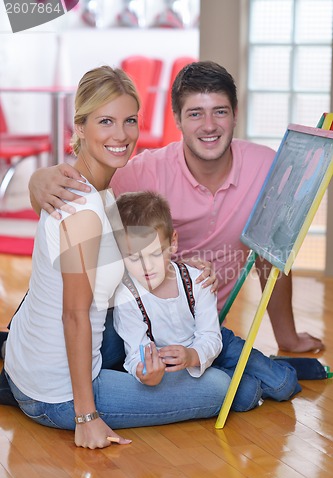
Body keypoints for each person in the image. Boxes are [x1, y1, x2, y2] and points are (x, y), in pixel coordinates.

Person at [3, 66, 231, 449]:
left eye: (129, 121)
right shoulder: (86, 210)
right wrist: (87, 417)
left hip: (25, 361)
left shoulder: (79, 187)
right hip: (56, 394)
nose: (121, 135)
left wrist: (184, 269)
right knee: (220, 388)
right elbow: (74, 314)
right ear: (79, 126)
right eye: (105, 121)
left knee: (160, 337)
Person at [28, 61, 324, 354]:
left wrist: (288, 338)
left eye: (219, 112)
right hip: (135, 324)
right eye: (195, 114)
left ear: (235, 114)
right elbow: (78, 201)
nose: (209, 126)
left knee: (244, 383)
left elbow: (271, 254)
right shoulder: (143, 171)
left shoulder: (264, 167)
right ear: (178, 120)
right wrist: (37, 183)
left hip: (199, 327)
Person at [110, 190, 301, 409]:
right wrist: (145, 373)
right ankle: (250, 375)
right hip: (178, 364)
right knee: (247, 395)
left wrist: (192, 355)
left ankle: (284, 367)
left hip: (217, 344)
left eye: (155, 253)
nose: (147, 267)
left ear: (172, 243)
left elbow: (210, 336)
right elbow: (135, 354)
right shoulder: (126, 298)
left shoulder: (196, 279)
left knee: (283, 385)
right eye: (134, 258)